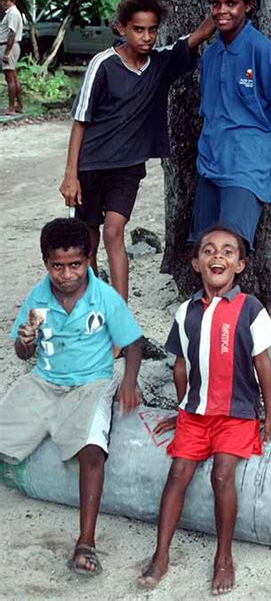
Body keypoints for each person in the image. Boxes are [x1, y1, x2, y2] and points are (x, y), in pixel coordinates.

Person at [137, 225, 271, 594]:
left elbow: (263, 363)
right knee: (178, 473)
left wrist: (268, 413)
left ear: (240, 264)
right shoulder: (185, 311)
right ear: (196, 263)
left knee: (222, 475)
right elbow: (180, 365)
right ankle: (161, 554)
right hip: (195, 414)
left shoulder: (249, 307)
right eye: (208, 251)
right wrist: (182, 408)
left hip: (237, 413)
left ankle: (223, 557)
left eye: (227, 252)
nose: (217, 257)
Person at [0, 218, 144, 575]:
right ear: (46, 263)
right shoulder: (38, 298)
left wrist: (128, 380)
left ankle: (86, 542)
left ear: (89, 259)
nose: (66, 274)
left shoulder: (104, 297)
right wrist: (25, 342)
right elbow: (22, 354)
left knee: (92, 452)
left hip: (91, 383)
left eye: (75, 265)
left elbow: (134, 342)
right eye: (57, 266)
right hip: (44, 381)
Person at [59, 0, 215, 304]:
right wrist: (70, 175)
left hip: (128, 167)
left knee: (113, 232)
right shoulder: (102, 65)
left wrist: (220, 11)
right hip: (91, 164)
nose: (146, 37)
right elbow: (80, 122)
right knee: (88, 241)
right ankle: (88, 306)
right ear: (121, 28)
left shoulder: (159, 64)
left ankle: (119, 318)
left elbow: (195, 37)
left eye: (152, 30)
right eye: (138, 29)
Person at [189, 0, 271, 252]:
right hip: (211, 161)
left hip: (248, 165)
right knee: (205, 247)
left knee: (229, 247)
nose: (222, 10)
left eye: (231, 4)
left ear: (248, 5)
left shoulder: (261, 50)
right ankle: (207, 299)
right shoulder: (210, 54)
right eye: (216, 3)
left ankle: (234, 300)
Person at [0, 0, 23, 115]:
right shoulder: (9, 13)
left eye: (6, 0)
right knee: (13, 77)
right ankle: (19, 105)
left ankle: (11, 108)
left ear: (12, 1)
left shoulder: (13, 13)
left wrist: (6, 53)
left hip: (9, 47)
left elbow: (12, 34)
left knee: (10, 78)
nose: (3, 2)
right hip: (9, 46)